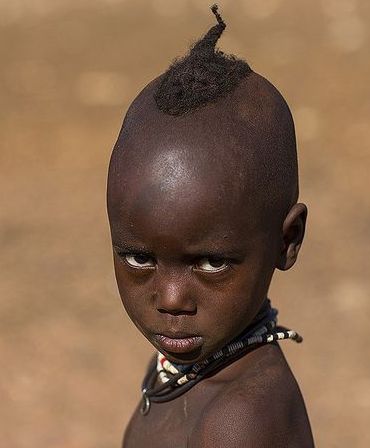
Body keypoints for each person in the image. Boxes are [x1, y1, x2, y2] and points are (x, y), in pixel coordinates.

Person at [107, 5, 314, 447]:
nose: (171, 299)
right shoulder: (179, 368)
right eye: (140, 258)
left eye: (212, 262)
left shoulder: (239, 424)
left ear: (287, 240)